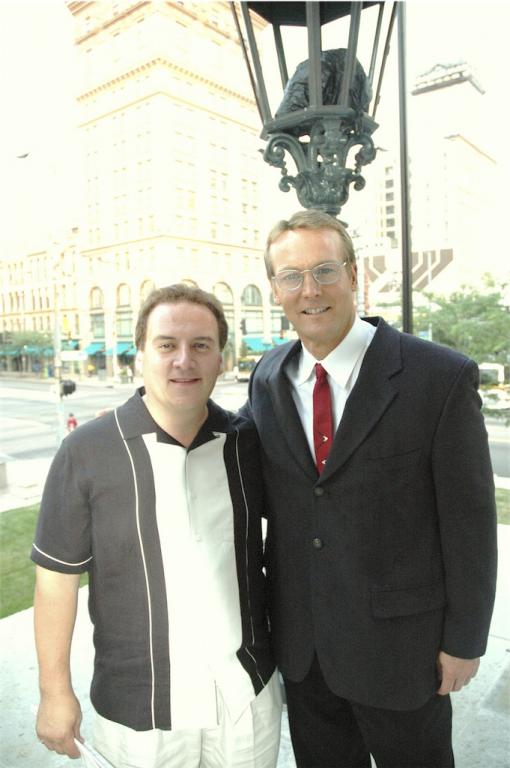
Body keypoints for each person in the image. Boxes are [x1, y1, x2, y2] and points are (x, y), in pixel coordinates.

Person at [243, 209, 497, 768]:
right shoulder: (267, 377)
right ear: (275, 289)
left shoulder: (439, 377)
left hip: (404, 653)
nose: (310, 290)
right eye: (291, 276)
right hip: (306, 654)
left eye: (325, 270)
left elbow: (470, 522)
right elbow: (237, 465)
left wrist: (464, 640)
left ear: (354, 275)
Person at [32, 284, 282, 768]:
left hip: (245, 701)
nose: (183, 360)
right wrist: (54, 692)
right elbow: (56, 580)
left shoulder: (247, 444)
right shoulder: (87, 451)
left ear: (221, 359)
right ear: (140, 356)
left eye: (200, 345)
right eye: (167, 344)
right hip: (140, 712)